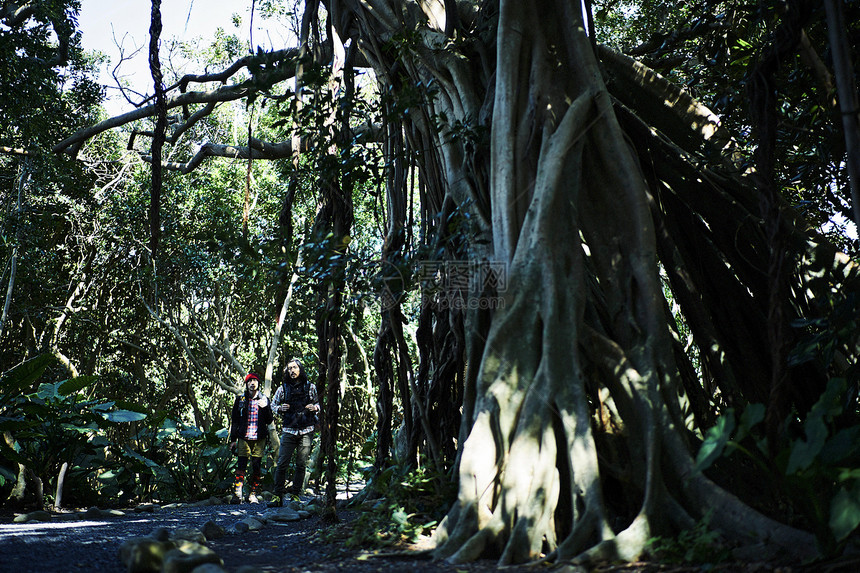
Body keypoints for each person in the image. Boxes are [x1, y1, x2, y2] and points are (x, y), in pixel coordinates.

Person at [268, 358, 319, 506]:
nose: (292, 371)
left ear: (300, 369)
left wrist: (315, 408)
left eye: (295, 367)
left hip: (306, 430)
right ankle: (277, 496)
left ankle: (295, 495)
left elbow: (318, 403)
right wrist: (279, 408)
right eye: (289, 368)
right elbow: (273, 405)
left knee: (301, 464)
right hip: (289, 430)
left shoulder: (310, 387)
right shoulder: (282, 388)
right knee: (282, 463)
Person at [229, 372, 273, 503]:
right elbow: (235, 421)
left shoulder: (264, 399)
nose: (252, 383)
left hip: (259, 438)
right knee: (241, 464)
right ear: (246, 384)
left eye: (254, 381)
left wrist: (265, 408)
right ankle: (238, 494)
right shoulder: (240, 400)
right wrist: (233, 440)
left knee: (256, 466)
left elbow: (269, 420)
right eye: (249, 381)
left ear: (258, 384)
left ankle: (253, 494)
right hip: (244, 437)